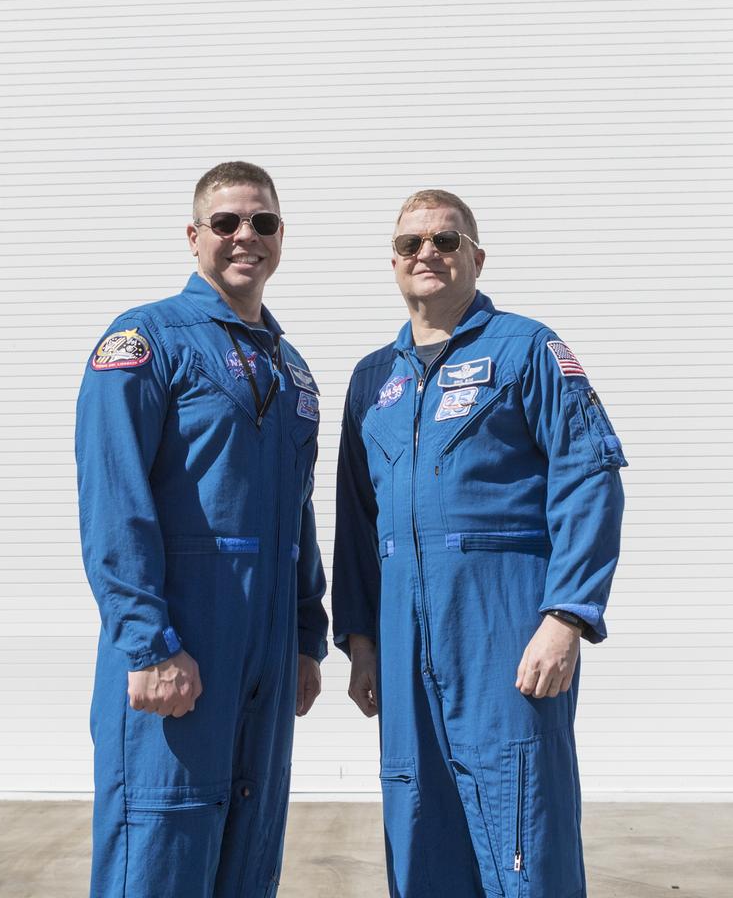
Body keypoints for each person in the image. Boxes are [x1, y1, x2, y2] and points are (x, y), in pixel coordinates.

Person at [332, 189, 626, 898]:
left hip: (505, 630)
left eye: (445, 240)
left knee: (522, 817)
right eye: (410, 244)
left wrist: (565, 617)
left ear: (475, 256)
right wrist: (362, 641)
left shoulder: (527, 349)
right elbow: (355, 522)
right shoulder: (373, 380)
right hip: (402, 642)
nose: (426, 254)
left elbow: (591, 477)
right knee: (417, 819)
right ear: (393, 262)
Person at [76, 161, 327, 898]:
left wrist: (307, 639)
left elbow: (298, 513)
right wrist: (149, 642)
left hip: (267, 655)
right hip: (181, 642)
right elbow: (113, 502)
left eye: (263, 222)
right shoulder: (144, 341)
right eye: (226, 222)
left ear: (280, 238)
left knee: (248, 860)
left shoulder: (292, 371)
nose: (245, 236)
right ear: (194, 236)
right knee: (157, 853)